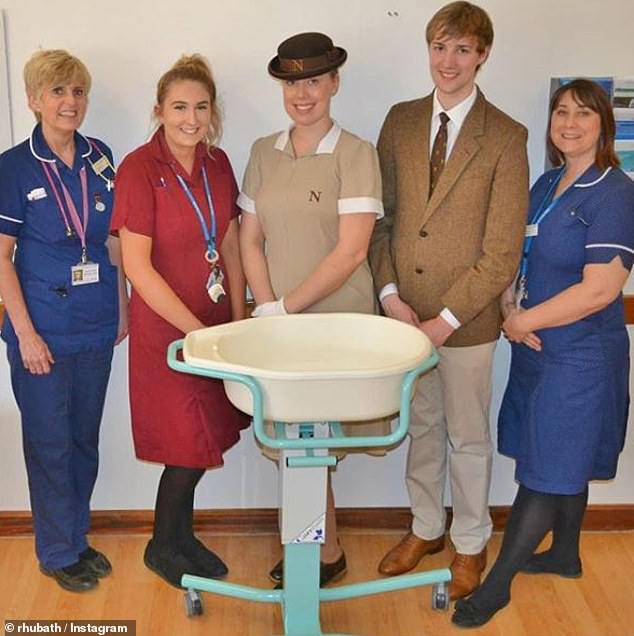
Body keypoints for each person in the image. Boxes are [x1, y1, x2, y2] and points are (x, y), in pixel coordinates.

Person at [453, 79, 634, 627]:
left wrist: (521, 320)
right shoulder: (547, 182)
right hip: (536, 346)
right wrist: (510, 302)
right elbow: (518, 252)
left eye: (583, 113)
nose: (570, 123)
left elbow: (601, 289)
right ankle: (564, 554)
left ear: (605, 124)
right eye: (561, 112)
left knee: (545, 469)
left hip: (580, 355)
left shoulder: (616, 192)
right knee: (555, 456)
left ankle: (497, 585)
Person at [369, 1, 529, 600]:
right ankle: (425, 527)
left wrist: (446, 319)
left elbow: (502, 250)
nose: (449, 60)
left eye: (463, 49)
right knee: (424, 428)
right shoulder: (401, 120)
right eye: (440, 46)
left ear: (482, 55)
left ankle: (469, 541)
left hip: (467, 324)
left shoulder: (507, 136)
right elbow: (382, 221)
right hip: (405, 317)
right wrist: (390, 295)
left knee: (466, 436)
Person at [238, 32, 385, 587]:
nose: (303, 94)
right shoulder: (261, 152)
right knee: (294, 442)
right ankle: (321, 551)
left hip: (336, 325)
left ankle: (313, 552)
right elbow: (250, 240)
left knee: (312, 443)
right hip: (280, 325)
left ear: (334, 83)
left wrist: (286, 309)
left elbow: (352, 252)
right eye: (293, 83)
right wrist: (269, 310)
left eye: (314, 81)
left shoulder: (356, 153)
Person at [111, 54, 248, 588]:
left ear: (212, 113)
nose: (191, 118)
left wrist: (236, 323)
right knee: (183, 442)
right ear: (159, 110)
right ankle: (160, 545)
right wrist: (199, 332)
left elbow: (231, 246)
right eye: (179, 107)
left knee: (204, 435)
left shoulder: (218, 163)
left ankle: (180, 537)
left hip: (216, 331)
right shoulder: (138, 168)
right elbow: (137, 267)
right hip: (169, 334)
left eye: (201, 107)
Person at [0, 50, 127, 592]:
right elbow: (0, 257)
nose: (68, 102)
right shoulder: (12, 167)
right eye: (56, 92)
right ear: (33, 100)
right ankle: (56, 551)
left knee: (83, 441)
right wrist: (25, 332)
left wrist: (122, 309)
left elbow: (115, 242)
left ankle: (76, 538)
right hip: (42, 331)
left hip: (96, 324)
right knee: (49, 443)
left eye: (76, 91)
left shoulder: (100, 156)